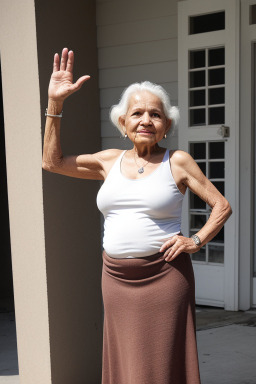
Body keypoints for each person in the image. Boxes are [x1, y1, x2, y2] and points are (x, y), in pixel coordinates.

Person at [42, 48, 232, 384]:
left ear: (166, 125)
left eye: (155, 115)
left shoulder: (178, 162)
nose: (146, 120)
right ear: (123, 122)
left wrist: (196, 240)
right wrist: (55, 105)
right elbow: (52, 163)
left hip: (166, 276)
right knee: (127, 361)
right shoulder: (108, 161)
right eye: (137, 113)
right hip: (115, 277)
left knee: (163, 361)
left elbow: (222, 205)